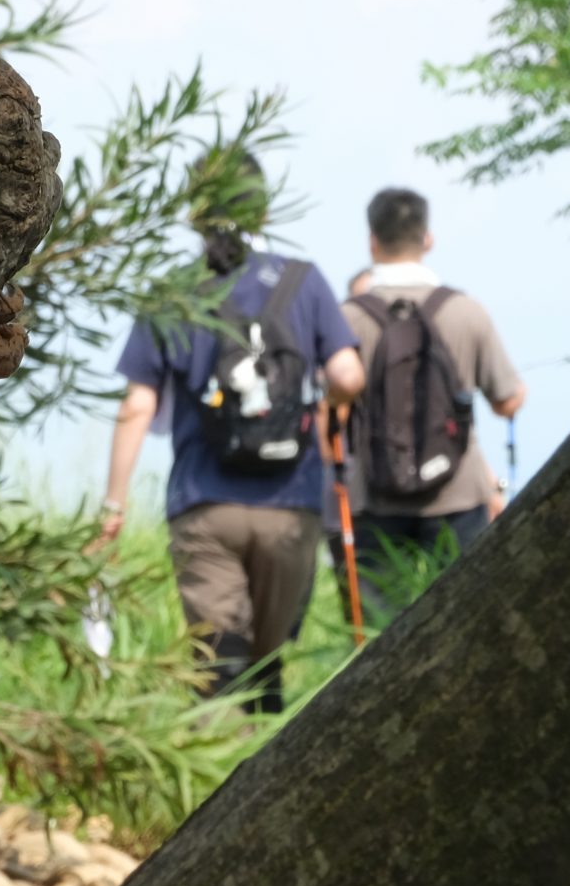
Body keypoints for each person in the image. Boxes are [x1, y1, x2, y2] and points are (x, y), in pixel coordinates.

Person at [96, 157, 364, 713]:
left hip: (204, 502)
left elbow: (138, 405)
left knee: (220, 663)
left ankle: (220, 766)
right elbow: (346, 376)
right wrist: (319, 408)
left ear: (194, 214)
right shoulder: (302, 281)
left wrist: (113, 505)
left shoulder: (172, 293)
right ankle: (266, 759)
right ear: (264, 209)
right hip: (290, 503)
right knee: (267, 664)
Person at [331, 187, 525, 617]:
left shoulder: (348, 317)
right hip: (458, 491)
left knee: (380, 634)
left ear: (372, 242)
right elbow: (507, 402)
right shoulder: (465, 311)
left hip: (373, 493)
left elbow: (332, 406)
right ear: (428, 239)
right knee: (468, 618)